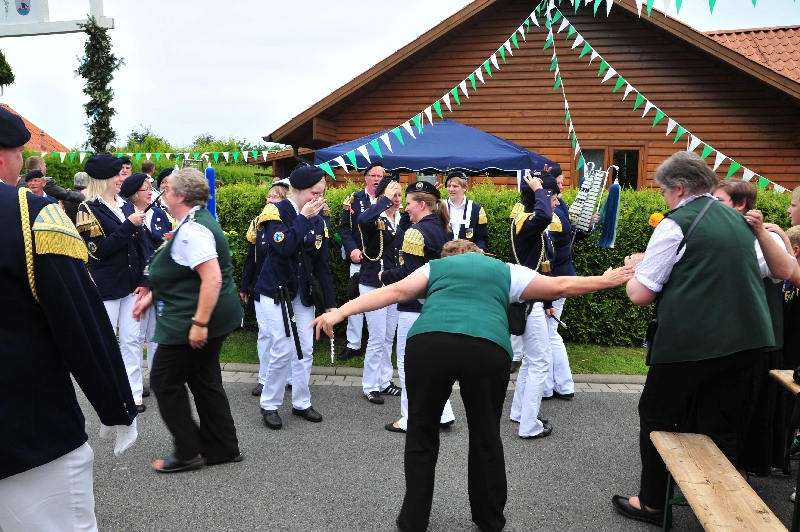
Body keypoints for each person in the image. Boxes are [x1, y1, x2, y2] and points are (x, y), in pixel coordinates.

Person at [311, 239, 633, 532]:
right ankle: (489, 519)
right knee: (485, 435)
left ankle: (413, 521)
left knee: (422, 432)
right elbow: (560, 285)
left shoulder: (435, 268)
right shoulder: (506, 269)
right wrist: (607, 280)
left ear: (448, 257)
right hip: (487, 348)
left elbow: (393, 292)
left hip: (429, 344)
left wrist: (341, 312)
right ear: (480, 253)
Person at [612, 151, 775, 526]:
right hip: (748, 341)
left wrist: (633, 270)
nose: (663, 198)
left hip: (692, 341)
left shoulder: (675, 224)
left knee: (656, 415)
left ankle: (652, 503)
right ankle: (725, 506)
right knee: (720, 426)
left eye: (663, 191)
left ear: (680, 189)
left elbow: (641, 294)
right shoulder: (738, 221)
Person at [0, 104, 136, 530]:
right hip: (27, 432)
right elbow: (77, 320)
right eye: (20, 154)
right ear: (5, 155)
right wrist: (116, 405)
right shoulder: (30, 213)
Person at [132, 168, 244, 472]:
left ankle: (188, 451)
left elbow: (212, 279)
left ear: (180, 196)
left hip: (194, 319)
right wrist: (152, 296)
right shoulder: (194, 221)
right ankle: (222, 447)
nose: (163, 194)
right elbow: (185, 270)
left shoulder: (193, 230)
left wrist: (199, 324)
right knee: (204, 379)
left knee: (164, 380)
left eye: (167, 190)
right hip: (209, 314)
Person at [253, 165, 337, 430]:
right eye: (314, 193)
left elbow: (322, 265)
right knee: (282, 348)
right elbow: (284, 247)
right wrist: (303, 217)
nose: (319, 199)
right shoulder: (275, 212)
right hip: (275, 291)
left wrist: (331, 305)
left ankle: (301, 402)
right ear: (298, 190)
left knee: (306, 349)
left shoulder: (319, 219)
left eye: (321, 193)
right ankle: (270, 404)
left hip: (303, 293)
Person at [75, 154, 151, 414]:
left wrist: (145, 280)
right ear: (103, 178)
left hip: (133, 286)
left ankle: (134, 394)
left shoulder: (127, 205)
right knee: (107, 342)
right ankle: (112, 395)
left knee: (131, 341)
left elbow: (143, 247)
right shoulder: (87, 210)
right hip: (106, 287)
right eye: (117, 174)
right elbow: (98, 251)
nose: (122, 178)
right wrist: (128, 226)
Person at [380, 180, 456, 433]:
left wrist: (384, 276)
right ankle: (443, 413)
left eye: (409, 203)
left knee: (408, 364)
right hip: (438, 304)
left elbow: (410, 275)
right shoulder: (444, 228)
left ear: (422, 204)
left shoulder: (416, 233)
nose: (405, 208)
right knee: (436, 362)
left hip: (414, 307)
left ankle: (408, 418)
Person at [508, 169, 560, 438]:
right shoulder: (527, 221)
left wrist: (548, 300)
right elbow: (545, 215)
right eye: (554, 196)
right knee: (540, 362)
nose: (557, 202)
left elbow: (544, 266)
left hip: (536, 299)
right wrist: (541, 190)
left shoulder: (530, 221)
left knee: (531, 360)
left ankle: (520, 413)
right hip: (529, 302)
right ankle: (529, 426)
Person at [121, 172, 177, 378]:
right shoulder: (126, 216)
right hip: (138, 284)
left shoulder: (159, 214)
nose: (150, 192)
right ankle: (135, 383)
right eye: (145, 189)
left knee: (157, 334)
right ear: (134, 194)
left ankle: (158, 378)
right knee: (134, 336)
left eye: (150, 189)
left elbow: (167, 243)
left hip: (159, 283)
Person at [240, 178, 290, 397]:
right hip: (261, 287)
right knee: (265, 334)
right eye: (269, 196)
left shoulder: (290, 223)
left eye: (275, 197)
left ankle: (288, 377)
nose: (270, 199)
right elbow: (251, 259)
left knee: (285, 334)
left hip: (286, 289)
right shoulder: (258, 223)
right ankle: (264, 378)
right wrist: (245, 285)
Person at [358, 176, 403, 404]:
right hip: (373, 284)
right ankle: (370, 385)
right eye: (393, 194)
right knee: (376, 338)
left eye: (399, 194)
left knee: (388, 337)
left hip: (393, 284)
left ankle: (384, 381)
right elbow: (363, 219)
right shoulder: (374, 216)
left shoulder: (401, 219)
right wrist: (384, 200)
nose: (397, 199)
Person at [337, 162, 385, 361]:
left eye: (380, 176)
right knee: (355, 303)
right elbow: (344, 229)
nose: (376, 179)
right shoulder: (354, 200)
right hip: (359, 261)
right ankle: (353, 344)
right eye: (373, 175)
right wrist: (352, 249)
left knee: (382, 303)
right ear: (365, 178)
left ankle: (379, 343)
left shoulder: (389, 200)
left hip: (383, 263)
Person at [444, 170, 488, 250]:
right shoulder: (440, 207)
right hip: (443, 255)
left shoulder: (476, 209)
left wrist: (479, 249)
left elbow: (481, 238)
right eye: (449, 186)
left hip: (467, 256)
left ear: (464, 188)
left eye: (455, 186)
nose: (451, 189)